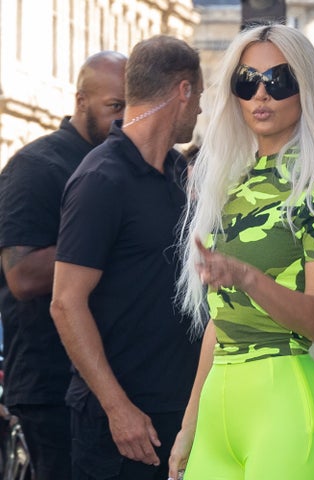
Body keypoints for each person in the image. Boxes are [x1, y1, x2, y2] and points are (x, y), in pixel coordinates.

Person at [167, 24, 314, 480]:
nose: (261, 95)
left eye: (279, 81)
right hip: (221, 410)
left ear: (307, 90)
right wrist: (188, 426)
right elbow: (221, 324)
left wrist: (246, 277)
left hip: (291, 413)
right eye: (247, 81)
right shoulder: (228, 185)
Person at [49, 36, 203, 480]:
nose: (199, 112)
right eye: (200, 97)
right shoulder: (102, 177)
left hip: (175, 418)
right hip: (118, 429)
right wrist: (119, 410)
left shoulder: (177, 175)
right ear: (183, 91)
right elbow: (65, 302)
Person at [0, 50, 127, 479]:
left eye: (132, 105)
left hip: (109, 380)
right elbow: (21, 276)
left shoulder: (126, 165)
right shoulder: (35, 167)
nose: (124, 118)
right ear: (80, 101)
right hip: (50, 384)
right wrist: (104, 242)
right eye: (115, 106)